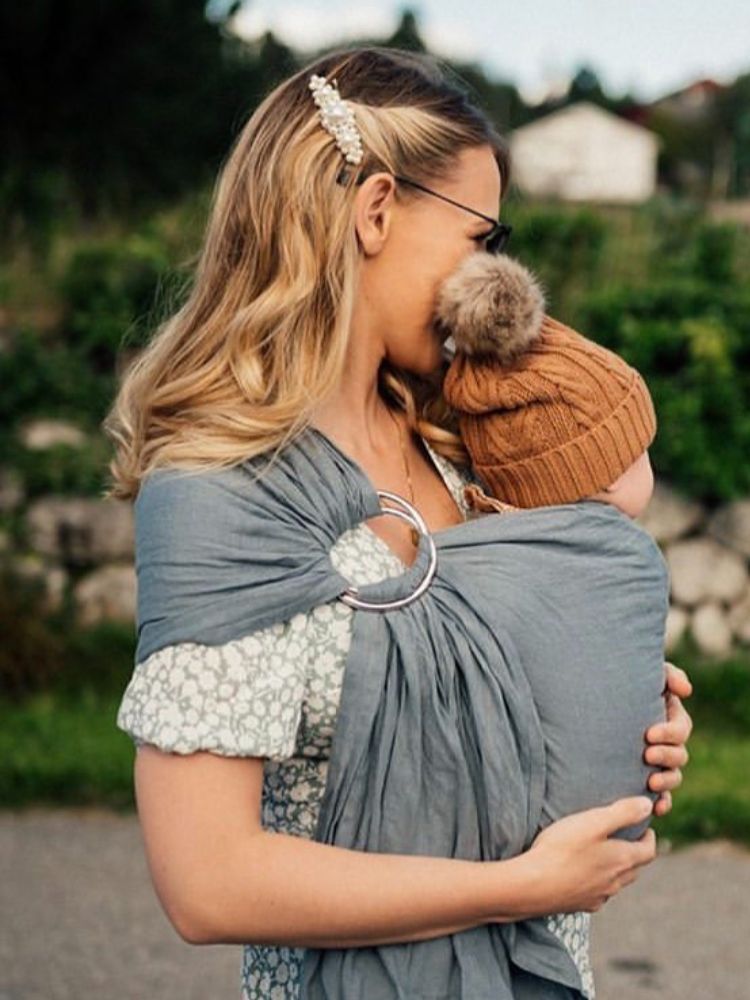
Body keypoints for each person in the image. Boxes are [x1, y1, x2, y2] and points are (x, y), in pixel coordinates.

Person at [106, 45, 693, 1000]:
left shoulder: (458, 443)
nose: (492, 275)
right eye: (480, 237)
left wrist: (617, 723)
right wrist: (518, 889)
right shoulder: (221, 493)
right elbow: (207, 883)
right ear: (376, 210)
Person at [436, 251, 671, 845]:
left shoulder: (477, 553)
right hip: (600, 833)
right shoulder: (624, 560)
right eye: (642, 446)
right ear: (610, 473)